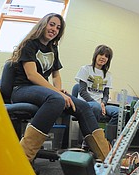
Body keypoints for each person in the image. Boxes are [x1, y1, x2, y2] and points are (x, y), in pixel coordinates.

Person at [9, 13, 110, 163]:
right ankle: (22, 158)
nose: (54, 29)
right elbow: (32, 75)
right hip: (22, 89)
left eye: (58, 27)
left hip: (42, 92)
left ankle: (106, 156)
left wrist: (59, 89)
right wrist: (56, 92)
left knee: (82, 106)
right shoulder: (30, 44)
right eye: (52, 24)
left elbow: (56, 75)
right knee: (56, 99)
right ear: (43, 24)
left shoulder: (53, 48)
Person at [75, 45, 119, 141]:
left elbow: (106, 94)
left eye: (106, 56)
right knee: (95, 107)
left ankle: (105, 141)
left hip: (100, 104)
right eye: (101, 54)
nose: (103, 57)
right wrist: (97, 104)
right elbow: (82, 91)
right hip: (85, 103)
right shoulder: (85, 69)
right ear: (96, 55)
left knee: (118, 112)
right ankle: (87, 141)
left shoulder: (108, 75)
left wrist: (103, 103)